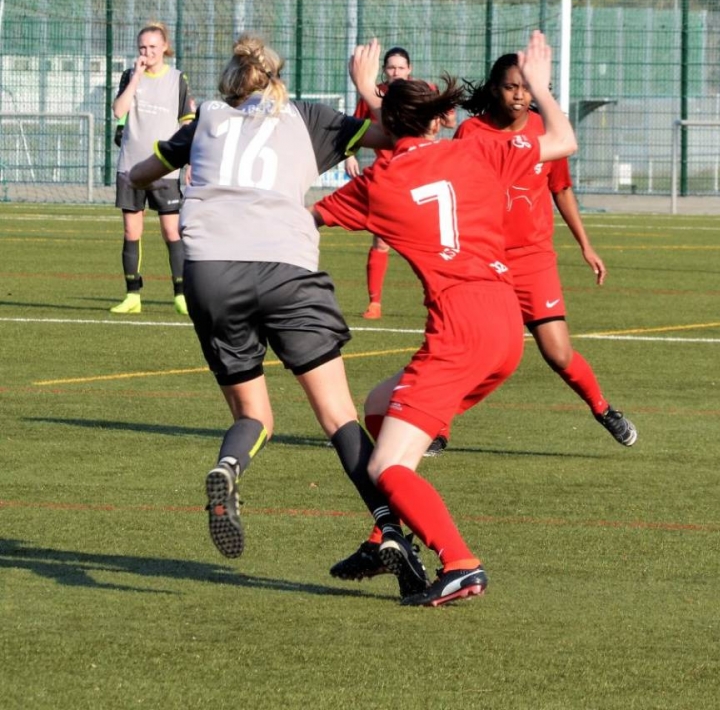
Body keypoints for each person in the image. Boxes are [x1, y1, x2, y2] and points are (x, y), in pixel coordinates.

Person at [127, 33, 428, 599]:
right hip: (285, 268)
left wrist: (144, 172)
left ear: (231, 81)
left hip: (211, 271)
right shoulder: (307, 117)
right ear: (276, 77)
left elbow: (143, 172)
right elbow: (396, 135)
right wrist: (368, 90)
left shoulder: (207, 117)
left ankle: (229, 466)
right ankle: (391, 530)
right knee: (338, 416)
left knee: (254, 413)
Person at [312, 31, 578, 606]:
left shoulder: (378, 183)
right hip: (505, 323)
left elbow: (305, 216)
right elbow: (564, 140)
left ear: (387, 122)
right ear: (435, 121)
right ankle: (386, 536)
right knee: (379, 404)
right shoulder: (473, 148)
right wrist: (541, 87)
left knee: (385, 466)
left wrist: (365, 93)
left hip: (460, 331)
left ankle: (460, 563)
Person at [454, 52, 637, 446]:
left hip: (533, 260)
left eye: (525, 87)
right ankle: (436, 426)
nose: (519, 95)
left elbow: (561, 189)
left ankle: (602, 408)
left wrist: (586, 246)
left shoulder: (544, 129)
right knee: (481, 353)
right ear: (494, 89)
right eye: (510, 87)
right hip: (486, 261)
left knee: (558, 353)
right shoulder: (471, 133)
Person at [344, 46, 455, 320]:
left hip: (423, 171)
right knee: (382, 239)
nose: (396, 72)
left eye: (400, 67)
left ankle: (443, 297)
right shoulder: (375, 94)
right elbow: (355, 125)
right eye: (391, 67)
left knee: (434, 240)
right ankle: (375, 303)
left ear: (409, 69)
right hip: (390, 175)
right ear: (384, 70)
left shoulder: (424, 90)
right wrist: (349, 155)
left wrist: (444, 113)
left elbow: (450, 122)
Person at [110, 21, 196, 315]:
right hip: (131, 166)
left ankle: (181, 295)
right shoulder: (129, 76)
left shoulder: (177, 79)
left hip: (165, 169)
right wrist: (136, 78)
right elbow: (119, 111)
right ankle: (132, 295)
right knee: (131, 230)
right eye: (142, 48)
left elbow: (187, 123)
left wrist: (188, 160)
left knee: (172, 231)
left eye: (153, 47)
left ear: (164, 48)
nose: (147, 53)